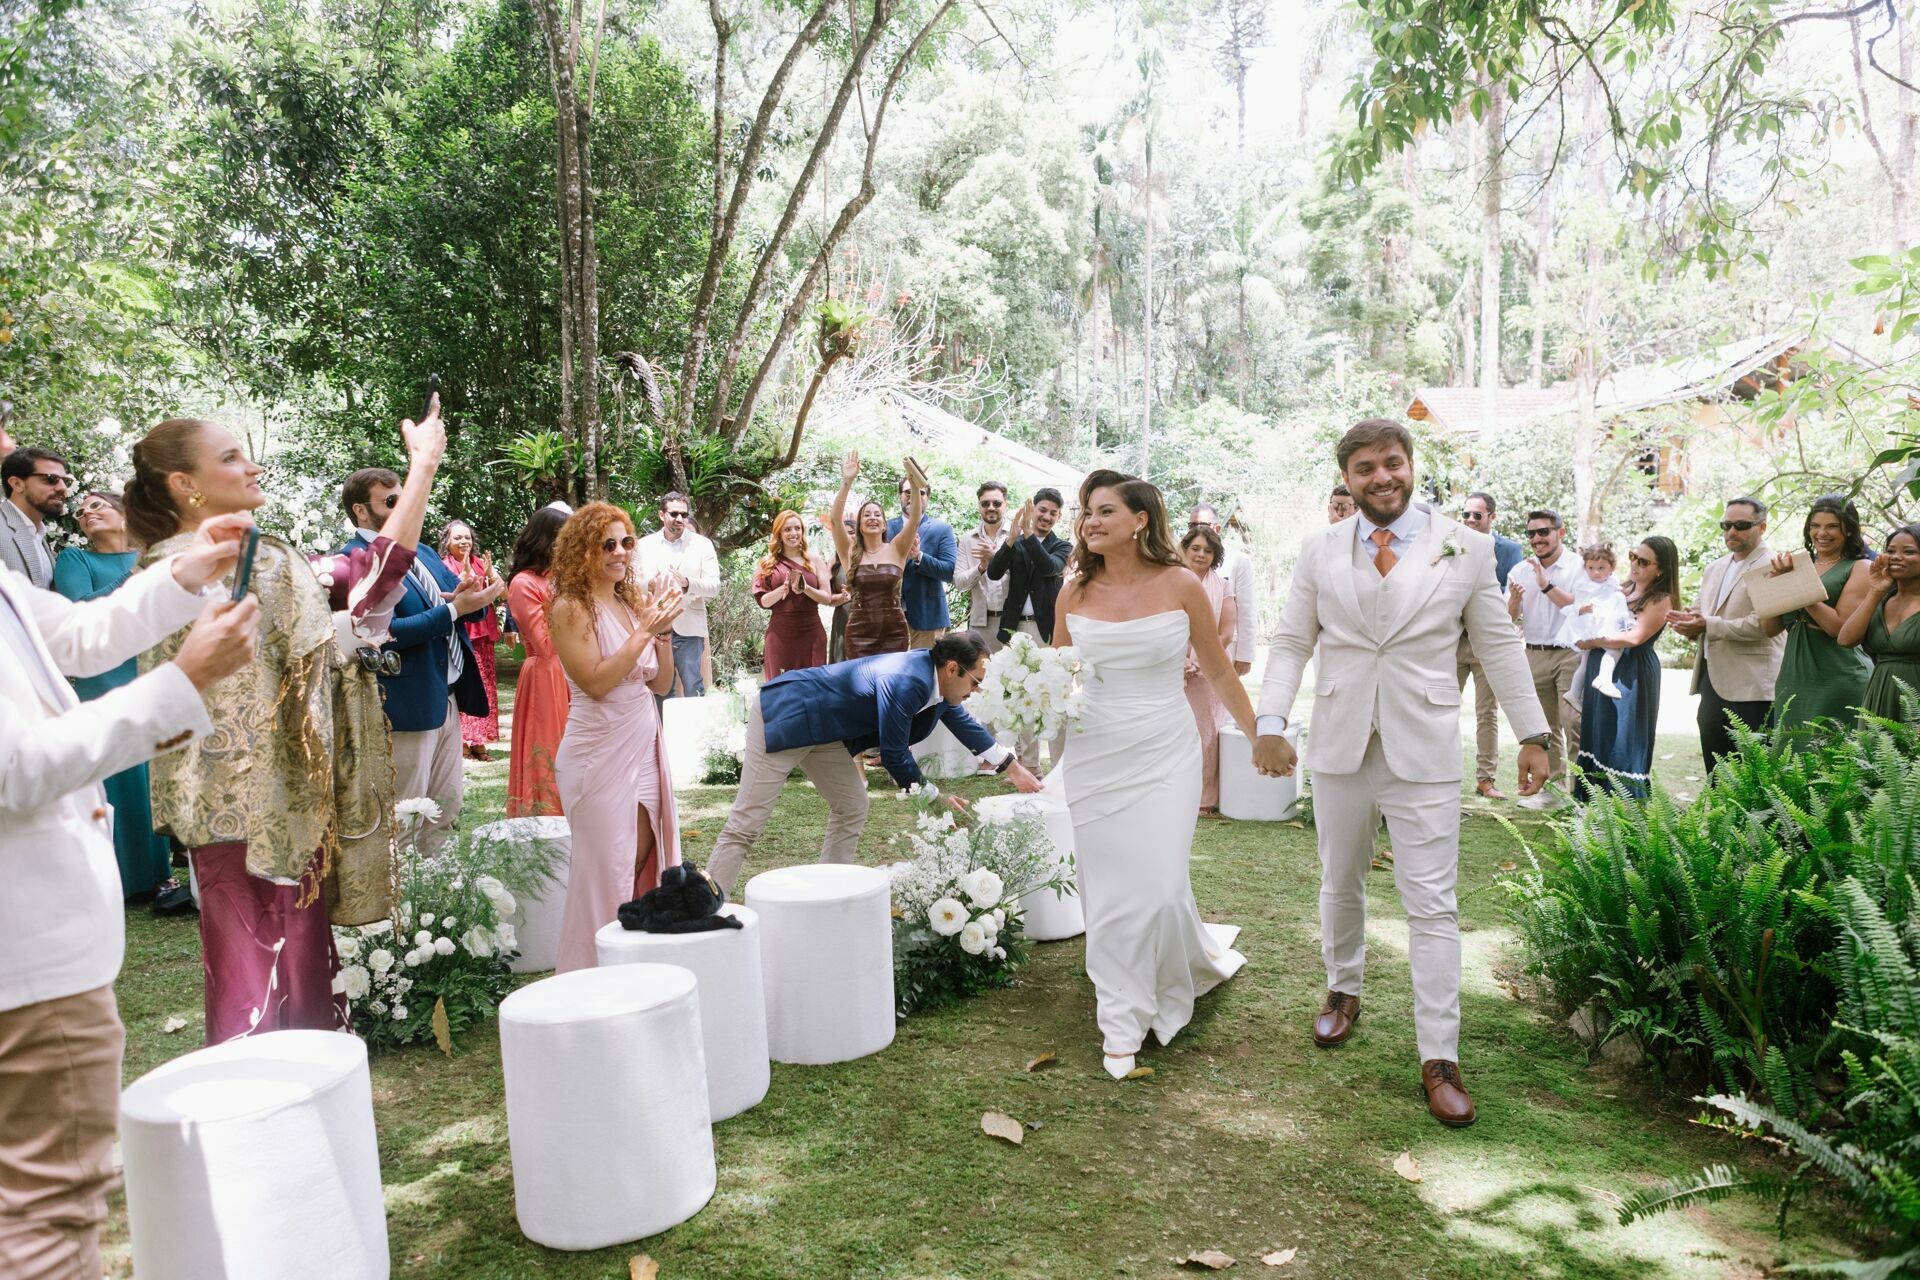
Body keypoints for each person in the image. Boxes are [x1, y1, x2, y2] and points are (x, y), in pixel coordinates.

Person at [1252, 418, 1551, 1127]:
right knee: (1339, 879)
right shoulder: (1319, 549)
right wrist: (1269, 722)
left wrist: (1533, 732)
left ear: (1411, 465)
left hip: (1422, 745)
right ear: (1347, 479)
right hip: (1338, 740)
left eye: (1392, 463)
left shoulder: (1467, 547)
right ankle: (1342, 989)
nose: (1381, 477)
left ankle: (1439, 1055)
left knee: (1433, 903)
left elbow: (1500, 646)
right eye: (1364, 468)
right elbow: (1293, 639)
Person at [132, 406, 443, 1045]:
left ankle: (308, 1099)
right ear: (184, 485)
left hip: (276, 794)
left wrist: (422, 470)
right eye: (229, 459)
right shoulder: (195, 566)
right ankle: (261, 1108)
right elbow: (372, 589)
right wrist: (422, 469)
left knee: (295, 953)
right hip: (243, 805)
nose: (253, 466)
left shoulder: (238, 559)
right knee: (256, 967)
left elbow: (369, 584)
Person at [0, 515, 258, 1280]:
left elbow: (75, 635)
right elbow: (16, 770)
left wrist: (185, 574)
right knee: (48, 1215)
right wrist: (181, 683)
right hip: (29, 961)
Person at [1051, 471, 1256, 1080]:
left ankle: (1171, 970)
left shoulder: (1182, 584)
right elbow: (1057, 675)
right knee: (1110, 888)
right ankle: (1121, 1017)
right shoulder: (1073, 593)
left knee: (1161, 884)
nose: (1090, 521)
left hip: (1167, 748)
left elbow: (1219, 672)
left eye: (1105, 510)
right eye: (1086, 512)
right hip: (1095, 749)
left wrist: (1257, 732)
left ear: (1141, 519)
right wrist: (1026, 712)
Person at [706, 631, 1042, 893]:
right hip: (787, 714)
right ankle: (708, 903)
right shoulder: (908, 680)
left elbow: (964, 724)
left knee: (852, 805)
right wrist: (934, 800)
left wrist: (1012, 768)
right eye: (976, 681)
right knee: (747, 822)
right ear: (953, 668)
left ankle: (829, 888)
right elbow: (895, 755)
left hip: (824, 732)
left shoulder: (938, 682)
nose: (977, 690)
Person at [548, 503, 685, 971]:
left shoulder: (629, 604)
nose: (621, 552)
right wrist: (646, 628)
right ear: (582, 550)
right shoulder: (570, 608)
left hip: (643, 742)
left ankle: (627, 961)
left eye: (626, 541)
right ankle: (589, 973)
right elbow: (598, 682)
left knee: (640, 857)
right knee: (604, 871)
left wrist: (661, 633)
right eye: (607, 543)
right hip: (597, 752)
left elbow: (661, 684)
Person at [343, 471, 500, 855]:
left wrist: (470, 596)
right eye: (391, 501)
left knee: (445, 808)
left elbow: (453, 604)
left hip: (447, 696)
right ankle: (398, 906)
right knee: (406, 815)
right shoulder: (354, 560)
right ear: (362, 511)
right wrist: (453, 609)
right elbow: (380, 632)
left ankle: (435, 902)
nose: (404, 507)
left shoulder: (422, 552)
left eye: (404, 497)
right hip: (407, 702)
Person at [51, 493, 176, 899]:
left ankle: (160, 873)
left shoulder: (153, 554)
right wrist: (132, 576)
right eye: (81, 511)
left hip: (151, 667)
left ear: (124, 514)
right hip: (103, 674)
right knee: (118, 776)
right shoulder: (75, 560)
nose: (86, 513)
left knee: (150, 774)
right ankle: (120, 879)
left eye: (97, 506)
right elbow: (79, 609)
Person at [1668, 496, 1785, 772]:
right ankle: (1720, 817)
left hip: (1754, 686)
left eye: (1742, 525)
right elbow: (1703, 612)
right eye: (1726, 525)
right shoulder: (1715, 567)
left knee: (1755, 771)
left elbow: (1764, 626)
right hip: (1712, 682)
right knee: (1717, 766)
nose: (1732, 532)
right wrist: (1688, 623)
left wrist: (1707, 624)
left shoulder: (1774, 565)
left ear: (1762, 527)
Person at [1574, 538, 1678, 800]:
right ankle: (1592, 808)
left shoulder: (1662, 599)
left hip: (1632, 672)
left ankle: (1624, 813)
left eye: (1644, 561)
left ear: (1661, 569)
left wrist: (1592, 641)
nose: (1635, 564)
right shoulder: (1620, 588)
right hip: (1601, 663)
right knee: (1599, 732)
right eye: (1633, 556)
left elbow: (1634, 638)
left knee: (1622, 738)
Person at [1761, 495, 1875, 728]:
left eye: (1832, 526)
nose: (1822, 533)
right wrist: (1771, 588)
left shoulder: (1860, 567)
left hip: (1839, 674)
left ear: (1850, 530)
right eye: (1815, 526)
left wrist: (1797, 586)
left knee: (1834, 757)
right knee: (1792, 756)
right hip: (1793, 676)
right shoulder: (1798, 565)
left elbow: (1837, 627)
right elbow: (1770, 629)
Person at [989, 486, 1073, 770]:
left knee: (1052, 696)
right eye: (1042, 510)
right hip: (1015, 631)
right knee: (1022, 695)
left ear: (1058, 517)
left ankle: (1060, 768)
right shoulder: (1017, 542)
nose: (1046, 517)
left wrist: (1027, 536)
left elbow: (1049, 567)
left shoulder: (1063, 546)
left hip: (1048, 631)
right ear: (1032, 510)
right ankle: (1030, 765)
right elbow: (993, 572)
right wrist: (1011, 539)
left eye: (1053, 513)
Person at [1506, 508, 1584, 809]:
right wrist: (1513, 601)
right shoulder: (1519, 570)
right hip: (1534, 653)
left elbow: (1580, 608)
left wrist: (1545, 585)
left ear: (1560, 532)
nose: (1537, 539)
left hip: (1570, 654)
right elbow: (1508, 618)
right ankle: (1553, 790)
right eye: (1531, 533)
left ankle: (1582, 794)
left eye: (1544, 532)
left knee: (1572, 721)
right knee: (1544, 728)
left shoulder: (1578, 567)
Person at [1455, 492, 1525, 798]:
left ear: (1492, 518)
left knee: (1486, 713)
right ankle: (1439, 774)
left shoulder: (1509, 550)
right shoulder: (1451, 544)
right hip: (1452, 641)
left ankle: (1486, 779)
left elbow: (1510, 600)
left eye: (1477, 516)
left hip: (1486, 644)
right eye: (1466, 514)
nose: (1470, 520)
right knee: (1440, 708)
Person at [504, 507, 571, 817]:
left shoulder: (558, 580)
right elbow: (544, 643)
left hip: (571, 669)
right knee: (548, 748)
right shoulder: (523, 583)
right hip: (546, 675)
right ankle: (546, 816)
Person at [829, 452, 923, 658]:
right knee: (862, 688)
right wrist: (847, 481)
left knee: (891, 687)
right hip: (858, 633)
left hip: (895, 632)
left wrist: (915, 485)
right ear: (860, 525)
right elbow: (835, 520)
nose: (872, 518)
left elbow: (915, 517)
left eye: (877, 514)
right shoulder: (850, 551)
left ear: (884, 525)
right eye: (867, 515)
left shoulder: (897, 548)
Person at [634, 492, 721, 697]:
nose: (680, 519)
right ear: (661, 515)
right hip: (655, 625)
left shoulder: (702, 544)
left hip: (689, 626)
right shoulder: (644, 545)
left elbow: (714, 586)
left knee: (693, 687)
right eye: (674, 514)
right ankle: (662, 730)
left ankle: (700, 730)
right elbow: (631, 582)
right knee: (660, 689)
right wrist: (651, 584)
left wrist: (687, 584)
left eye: (683, 514)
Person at [1178, 524, 1237, 814]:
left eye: (1208, 550)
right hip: (1172, 667)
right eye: (1195, 548)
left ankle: (1205, 797)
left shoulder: (1222, 587)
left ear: (1215, 556)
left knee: (1206, 732)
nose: (1201, 554)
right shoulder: (1169, 582)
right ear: (1185, 550)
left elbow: (1226, 632)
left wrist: (1200, 659)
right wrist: (1180, 658)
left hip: (1206, 670)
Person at [1838, 523, 1920, 721]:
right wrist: (1875, 591)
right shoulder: (1881, 601)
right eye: (1890, 551)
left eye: (1908, 552)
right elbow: (1845, 639)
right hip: (1879, 696)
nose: (1896, 557)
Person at [441, 519, 503, 760]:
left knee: (485, 684)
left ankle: (479, 740)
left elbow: (503, 591)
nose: (463, 541)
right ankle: (463, 742)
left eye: (466, 537)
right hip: (461, 633)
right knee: (466, 682)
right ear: (447, 542)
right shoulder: (442, 566)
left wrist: (489, 572)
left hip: (484, 632)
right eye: (457, 537)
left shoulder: (480, 562)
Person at [753, 510, 839, 679]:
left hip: (812, 633)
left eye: (797, 528)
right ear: (779, 533)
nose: (793, 533)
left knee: (814, 686)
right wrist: (781, 591)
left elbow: (827, 598)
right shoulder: (767, 564)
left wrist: (806, 588)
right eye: (787, 529)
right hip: (780, 635)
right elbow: (763, 601)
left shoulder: (815, 561)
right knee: (781, 688)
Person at [885, 470, 956, 648]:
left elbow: (950, 571)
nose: (913, 496)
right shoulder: (885, 527)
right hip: (889, 618)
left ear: (927, 498)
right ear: (900, 496)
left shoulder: (942, 529)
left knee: (925, 672)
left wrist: (919, 557)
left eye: (920, 492)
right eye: (908, 492)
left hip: (928, 616)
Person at [1188, 504, 1256, 675]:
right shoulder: (1176, 562)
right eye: (1192, 525)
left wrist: (1245, 655)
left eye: (1203, 524)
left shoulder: (1238, 561)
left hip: (1222, 648)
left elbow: (1246, 610)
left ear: (1217, 528)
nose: (1197, 529)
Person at [2, 447, 71, 590]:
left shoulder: (39, 535)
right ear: (17, 484)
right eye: (52, 479)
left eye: (66, 481)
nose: (63, 488)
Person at [952, 481, 1011, 649]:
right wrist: (981, 568)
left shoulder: (1017, 535)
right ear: (979, 506)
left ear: (1005, 505)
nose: (991, 507)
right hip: (980, 623)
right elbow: (959, 583)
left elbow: (1027, 579)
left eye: (997, 503)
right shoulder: (968, 539)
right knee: (982, 674)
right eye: (985, 503)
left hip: (1013, 621)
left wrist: (996, 561)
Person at [1568, 544, 1633, 697]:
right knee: (1614, 649)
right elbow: (1575, 608)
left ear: (1612, 567)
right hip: (1595, 627)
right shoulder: (1584, 586)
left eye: (1601, 568)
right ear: (1585, 567)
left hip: (1596, 625)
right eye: (1591, 568)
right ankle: (1604, 678)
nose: (1596, 572)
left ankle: (1574, 692)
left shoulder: (1609, 584)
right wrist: (1583, 609)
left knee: (1585, 662)